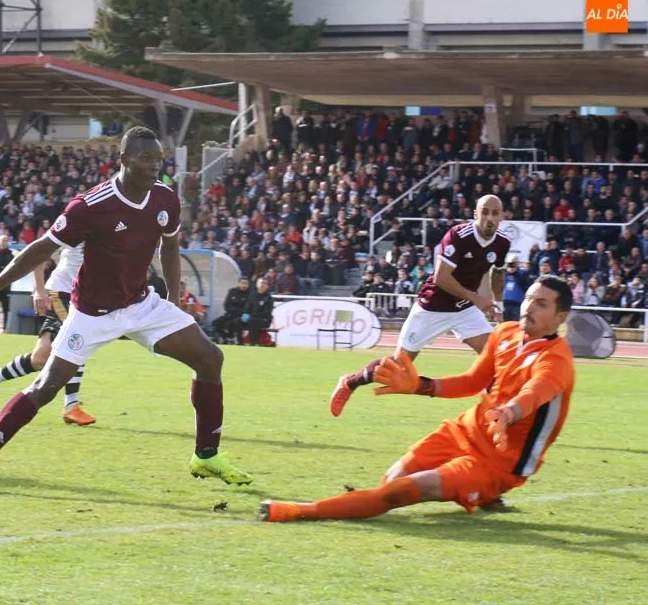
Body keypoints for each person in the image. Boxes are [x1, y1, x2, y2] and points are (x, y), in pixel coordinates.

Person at [0, 126, 252, 494]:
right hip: (91, 313)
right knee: (45, 387)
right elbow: (41, 249)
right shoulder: (90, 206)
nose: (155, 166)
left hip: (142, 304)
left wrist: (172, 300)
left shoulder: (165, 199)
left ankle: (206, 454)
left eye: (158, 159)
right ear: (123, 160)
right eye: (145, 158)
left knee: (210, 358)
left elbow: (170, 246)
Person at [260, 275, 575, 522]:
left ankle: (301, 510)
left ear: (561, 316)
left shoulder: (557, 360)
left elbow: (534, 393)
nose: (528, 307)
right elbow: (472, 381)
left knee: (395, 494)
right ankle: (481, 495)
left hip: (498, 463)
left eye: (541, 304)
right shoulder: (505, 333)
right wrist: (419, 386)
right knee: (390, 482)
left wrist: (508, 413)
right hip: (463, 431)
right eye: (529, 299)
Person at [331, 195, 510, 416]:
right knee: (398, 368)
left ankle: (495, 411)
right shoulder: (458, 236)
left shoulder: (502, 243)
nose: (489, 218)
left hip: (464, 309)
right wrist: (475, 298)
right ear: (476, 214)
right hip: (432, 307)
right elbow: (441, 277)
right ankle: (349, 382)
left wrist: (497, 305)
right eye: (485, 212)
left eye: (495, 213)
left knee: (495, 357)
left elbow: (497, 274)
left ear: (502, 216)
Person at [0, 242, 96, 426]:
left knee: (39, 359)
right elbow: (41, 252)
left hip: (83, 295)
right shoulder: (77, 226)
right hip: (62, 292)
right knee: (77, 341)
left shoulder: (114, 229)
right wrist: (39, 289)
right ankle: (71, 406)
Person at [212, 276, 251, 344]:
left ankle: (236, 340)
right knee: (215, 322)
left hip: (241, 317)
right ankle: (225, 338)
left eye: (246, 283)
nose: (244, 285)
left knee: (232, 324)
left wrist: (238, 312)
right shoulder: (232, 291)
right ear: (238, 283)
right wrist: (234, 311)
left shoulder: (250, 294)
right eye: (242, 283)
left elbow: (248, 308)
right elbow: (226, 305)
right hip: (230, 314)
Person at [242, 277, 274, 346]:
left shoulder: (269, 298)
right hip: (251, 318)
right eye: (261, 283)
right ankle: (239, 342)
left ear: (267, 286)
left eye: (265, 283)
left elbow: (267, 312)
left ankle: (253, 343)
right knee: (238, 321)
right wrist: (245, 314)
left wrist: (252, 315)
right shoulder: (252, 296)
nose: (263, 285)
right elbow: (247, 308)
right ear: (257, 284)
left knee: (252, 321)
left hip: (264, 320)